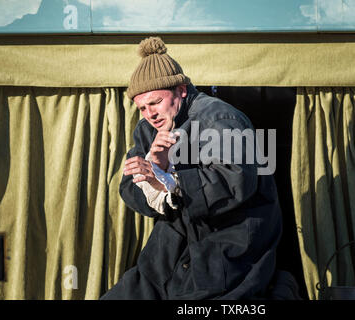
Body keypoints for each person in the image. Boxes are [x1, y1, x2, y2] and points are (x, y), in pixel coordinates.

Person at [100, 37, 299, 300]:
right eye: (142, 107)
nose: (150, 113)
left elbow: (235, 179)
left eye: (156, 102)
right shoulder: (148, 130)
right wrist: (153, 173)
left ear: (181, 89)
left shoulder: (220, 117)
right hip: (168, 254)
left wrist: (171, 181)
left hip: (227, 253)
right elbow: (128, 186)